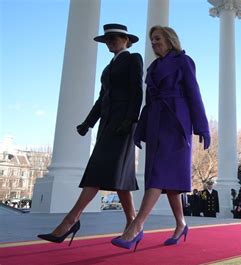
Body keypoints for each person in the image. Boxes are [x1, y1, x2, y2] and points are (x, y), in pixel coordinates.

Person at [38, 23, 143, 246]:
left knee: (97, 171)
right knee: (120, 177)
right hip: (107, 125)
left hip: (123, 126)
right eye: (107, 39)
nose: (110, 42)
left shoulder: (133, 59)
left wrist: (130, 120)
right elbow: (101, 100)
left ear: (126, 40)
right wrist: (88, 123)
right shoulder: (107, 69)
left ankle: (70, 220)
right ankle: (133, 223)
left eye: (115, 38)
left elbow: (137, 92)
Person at [111, 25, 210, 251]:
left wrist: (202, 127)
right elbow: (148, 103)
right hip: (156, 124)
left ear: (170, 39)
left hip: (176, 124)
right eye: (152, 40)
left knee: (158, 176)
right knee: (169, 182)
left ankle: (136, 227)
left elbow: (194, 93)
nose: (154, 43)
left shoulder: (183, 61)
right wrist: (140, 130)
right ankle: (181, 223)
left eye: (157, 39)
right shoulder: (153, 67)